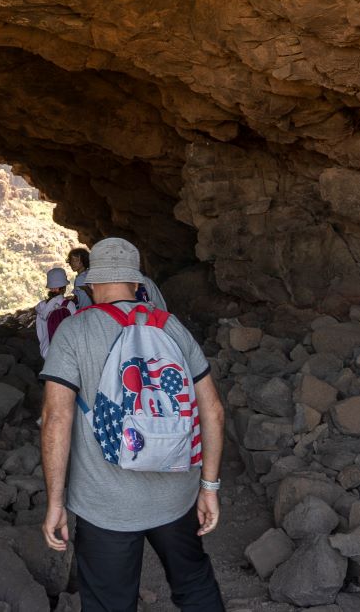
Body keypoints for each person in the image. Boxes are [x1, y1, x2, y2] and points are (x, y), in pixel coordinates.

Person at [39, 237, 226, 612]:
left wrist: (55, 502)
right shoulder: (171, 327)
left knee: (110, 603)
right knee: (194, 584)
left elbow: (56, 418)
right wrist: (208, 487)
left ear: (91, 282)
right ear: (136, 281)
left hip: (105, 505)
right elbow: (214, 412)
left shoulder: (74, 332)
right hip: (176, 496)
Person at [35, 267, 75, 359]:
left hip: (46, 351)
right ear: (64, 287)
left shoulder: (41, 306)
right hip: (65, 352)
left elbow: (40, 331)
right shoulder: (69, 305)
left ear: (49, 287)